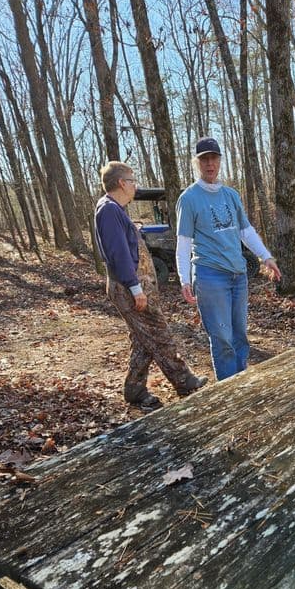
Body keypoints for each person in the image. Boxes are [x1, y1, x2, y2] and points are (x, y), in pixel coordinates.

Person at [95, 161, 206, 410]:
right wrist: (135, 288)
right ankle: (185, 381)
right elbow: (119, 253)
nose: (136, 186)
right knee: (159, 333)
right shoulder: (109, 210)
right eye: (133, 181)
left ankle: (134, 389)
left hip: (135, 286)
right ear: (121, 183)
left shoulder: (116, 210)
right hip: (128, 288)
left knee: (142, 339)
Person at [175, 137, 281, 381]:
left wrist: (266, 257)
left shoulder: (231, 195)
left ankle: (240, 382)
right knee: (222, 337)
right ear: (197, 163)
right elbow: (183, 243)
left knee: (240, 334)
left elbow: (245, 231)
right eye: (204, 160)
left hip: (238, 274)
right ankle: (227, 389)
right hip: (210, 275)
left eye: (213, 158)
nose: (209, 164)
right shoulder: (189, 198)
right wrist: (184, 279)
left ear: (220, 161)